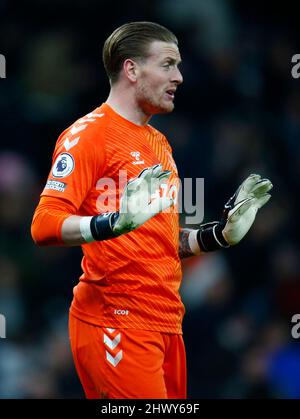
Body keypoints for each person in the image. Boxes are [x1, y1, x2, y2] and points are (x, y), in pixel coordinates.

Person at [31, 21, 272, 399]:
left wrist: (217, 236)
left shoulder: (159, 143)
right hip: (116, 320)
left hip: (166, 322)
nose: (178, 76)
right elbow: (43, 225)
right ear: (131, 70)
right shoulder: (88, 135)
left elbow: (157, 241)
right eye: (167, 65)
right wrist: (112, 223)